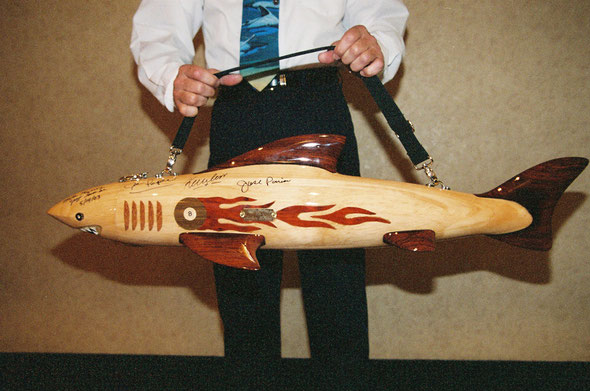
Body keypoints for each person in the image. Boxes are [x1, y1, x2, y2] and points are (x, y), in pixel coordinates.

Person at [131, 0, 408, 362]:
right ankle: (251, 383)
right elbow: (157, 26)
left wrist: (377, 43)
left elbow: (382, 13)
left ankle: (342, 385)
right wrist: (171, 77)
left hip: (318, 104)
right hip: (237, 112)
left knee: (337, 285)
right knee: (241, 282)